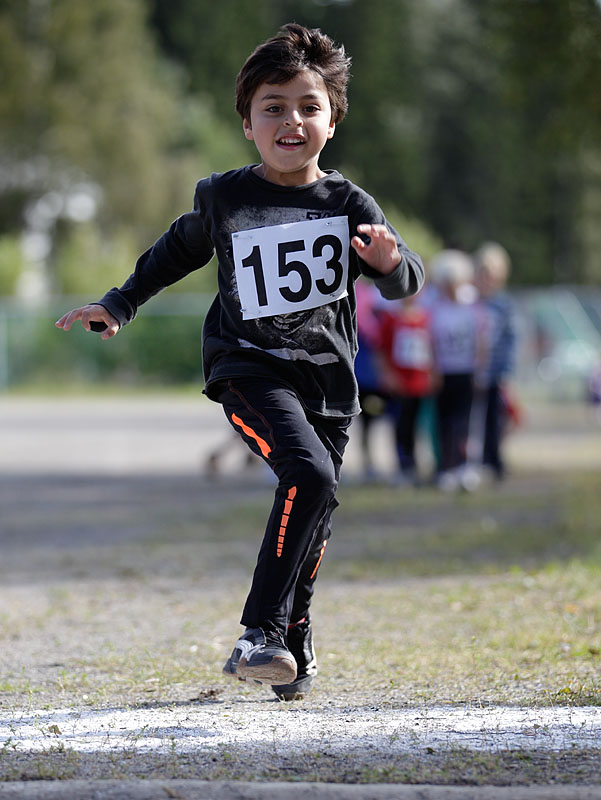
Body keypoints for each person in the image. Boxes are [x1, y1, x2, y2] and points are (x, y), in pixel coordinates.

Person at [56, 23, 424, 702]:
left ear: (333, 121)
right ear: (248, 124)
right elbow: (175, 250)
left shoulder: (348, 205)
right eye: (273, 108)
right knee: (309, 475)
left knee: (316, 503)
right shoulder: (225, 197)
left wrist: (388, 261)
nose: (292, 121)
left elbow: (407, 281)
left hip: (327, 383)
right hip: (248, 367)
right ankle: (260, 633)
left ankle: (293, 634)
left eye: (309, 107)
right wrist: (119, 302)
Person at [428, 249, 480, 491]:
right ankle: (445, 467)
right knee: (444, 422)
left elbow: (480, 340)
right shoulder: (436, 309)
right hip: (444, 372)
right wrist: (434, 368)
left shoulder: (471, 308)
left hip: (465, 371)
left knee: (464, 422)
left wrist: (478, 367)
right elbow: (430, 341)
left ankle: (463, 465)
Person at [377, 293, 435, 485]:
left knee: (418, 426)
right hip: (400, 384)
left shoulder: (426, 317)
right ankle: (403, 466)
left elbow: (432, 349)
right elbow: (381, 349)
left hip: (420, 383)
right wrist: (388, 375)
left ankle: (416, 464)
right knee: (401, 425)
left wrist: (432, 374)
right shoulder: (391, 318)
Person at [472, 242, 517, 480]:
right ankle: (471, 459)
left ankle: (493, 458)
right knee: (472, 418)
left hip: (494, 372)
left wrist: (506, 370)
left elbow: (510, 340)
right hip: (470, 371)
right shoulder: (469, 301)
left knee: (494, 418)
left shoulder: (504, 306)